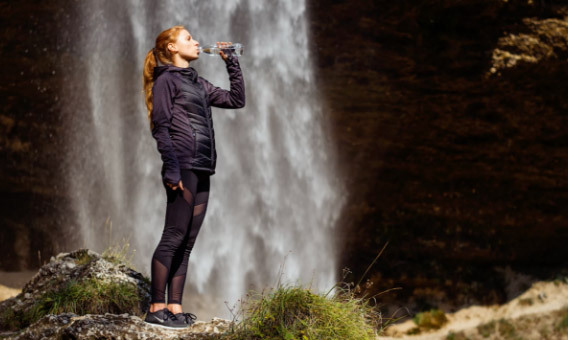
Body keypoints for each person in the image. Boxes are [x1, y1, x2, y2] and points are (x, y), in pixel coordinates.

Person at [141, 25, 245, 329]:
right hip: (183, 166)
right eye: (188, 38)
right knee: (173, 236)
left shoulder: (197, 83)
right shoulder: (165, 81)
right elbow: (160, 127)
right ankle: (155, 307)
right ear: (171, 48)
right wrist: (171, 167)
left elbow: (236, 100)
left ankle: (174, 307)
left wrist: (232, 62)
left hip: (202, 167)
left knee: (187, 241)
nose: (197, 42)